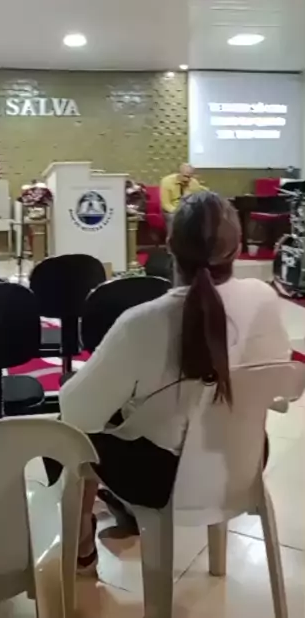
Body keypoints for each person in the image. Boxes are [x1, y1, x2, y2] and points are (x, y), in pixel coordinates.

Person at [59, 192, 290, 573]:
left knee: (72, 433)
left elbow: (76, 412)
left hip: (161, 480)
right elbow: (279, 381)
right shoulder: (264, 299)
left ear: (169, 246)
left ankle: (83, 542)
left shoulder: (142, 322)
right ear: (236, 248)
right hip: (244, 463)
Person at [160, 163, 204, 234]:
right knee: (173, 218)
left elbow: (197, 201)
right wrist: (179, 212)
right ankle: (171, 238)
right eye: (185, 176)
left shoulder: (194, 183)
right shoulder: (167, 181)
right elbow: (166, 204)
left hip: (188, 210)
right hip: (172, 210)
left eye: (189, 177)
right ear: (179, 173)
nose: (187, 179)